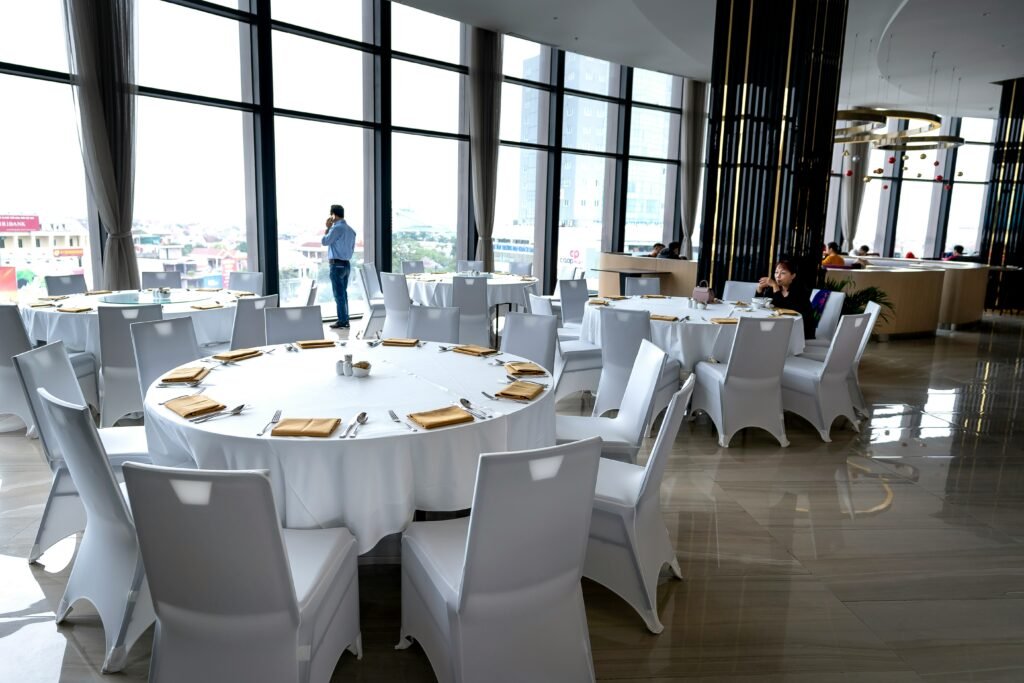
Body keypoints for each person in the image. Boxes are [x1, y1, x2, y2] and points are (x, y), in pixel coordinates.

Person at [757, 258, 816, 339]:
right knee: (759, 330)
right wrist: (759, 290)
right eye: (776, 272)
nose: (778, 276)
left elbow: (785, 310)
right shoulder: (774, 289)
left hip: (800, 331)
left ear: (793, 276)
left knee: (764, 333)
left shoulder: (800, 291)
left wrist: (775, 286)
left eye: (783, 273)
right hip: (781, 327)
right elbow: (761, 306)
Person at [322, 204, 357, 329]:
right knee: (343, 294)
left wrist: (327, 228)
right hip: (346, 265)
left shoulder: (336, 229)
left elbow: (325, 241)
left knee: (339, 295)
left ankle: (342, 321)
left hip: (336, 265)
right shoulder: (351, 230)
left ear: (333, 215)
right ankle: (345, 319)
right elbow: (352, 248)